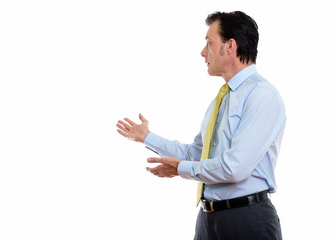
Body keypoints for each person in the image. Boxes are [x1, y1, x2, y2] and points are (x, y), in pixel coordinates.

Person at [116, 11, 285, 240]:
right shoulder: (221, 99)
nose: (203, 52)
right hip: (208, 220)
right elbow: (197, 153)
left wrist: (181, 169)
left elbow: (235, 168)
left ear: (230, 46)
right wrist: (147, 137)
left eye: (209, 43)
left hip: (246, 219)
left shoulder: (262, 96)